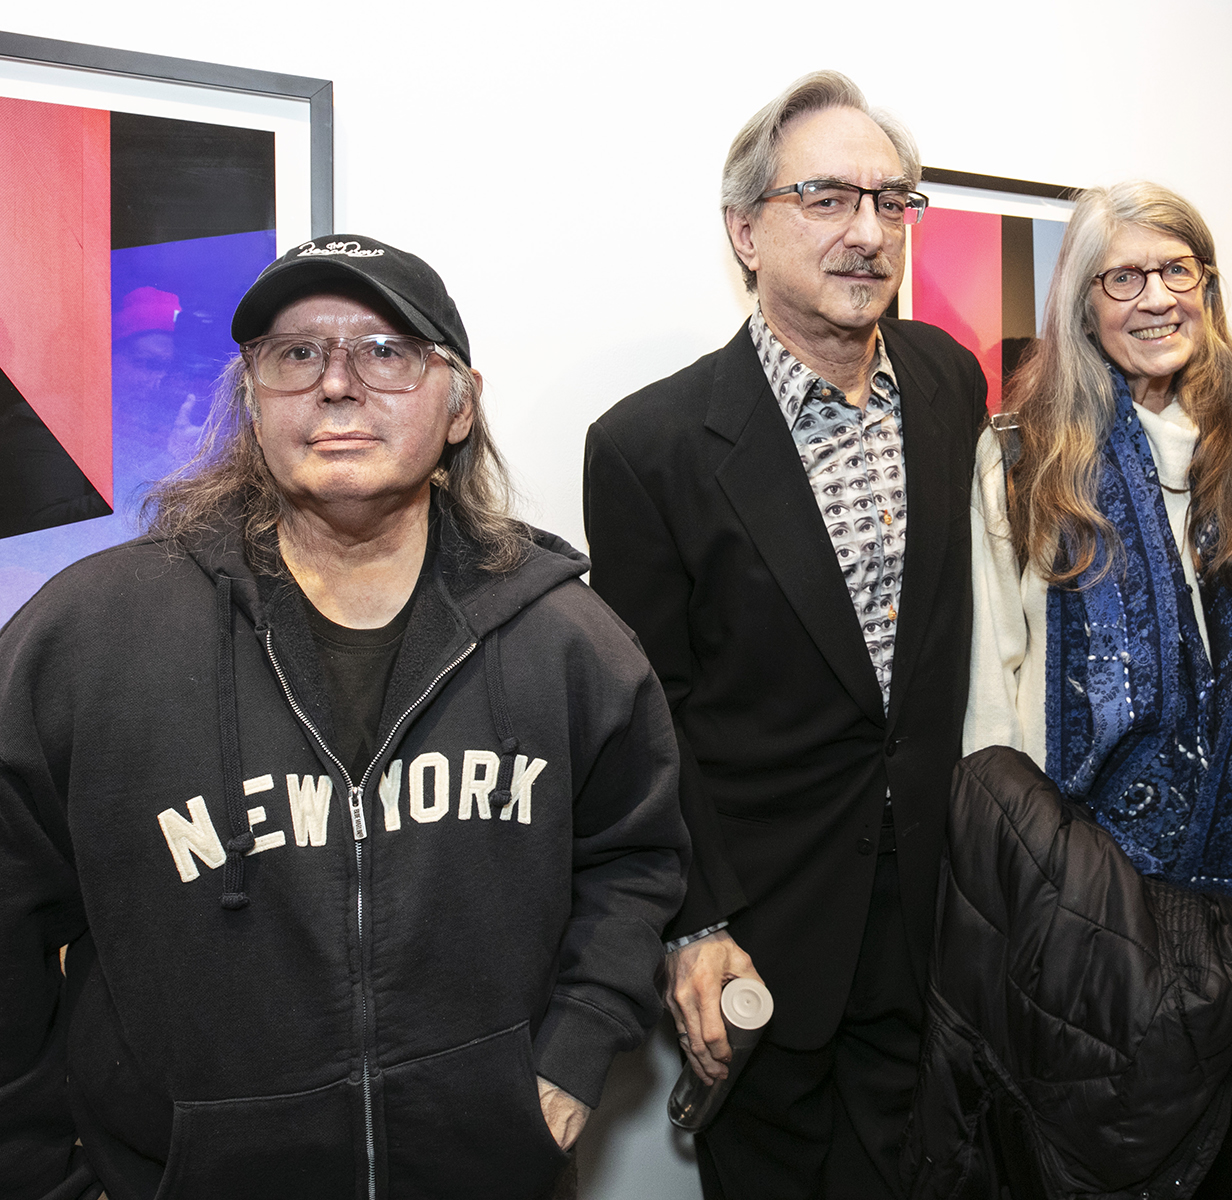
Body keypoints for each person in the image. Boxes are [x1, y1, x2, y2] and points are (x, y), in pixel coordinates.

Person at [0, 235, 690, 1200]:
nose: (335, 384)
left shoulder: (567, 639)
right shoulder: (87, 641)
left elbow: (637, 859)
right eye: (295, 354)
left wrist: (575, 1047)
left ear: (459, 403)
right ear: (253, 399)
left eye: (385, 351)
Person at [583, 71, 985, 1198]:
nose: (867, 232)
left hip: (936, 920)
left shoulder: (950, 383)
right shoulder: (649, 446)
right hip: (763, 944)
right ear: (746, 231)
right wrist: (693, 924)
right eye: (826, 198)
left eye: (891, 201)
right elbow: (645, 717)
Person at [960, 181, 1232, 1197]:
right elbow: (993, 696)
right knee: (1102, 1159)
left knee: (1229, 1159)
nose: (1156, 297)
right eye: (1125, 277)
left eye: (1178, 270)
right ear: (1083, 304)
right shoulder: (1023, 460)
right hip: (1089, 910)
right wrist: (1034, 899)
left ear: (1206, 286)